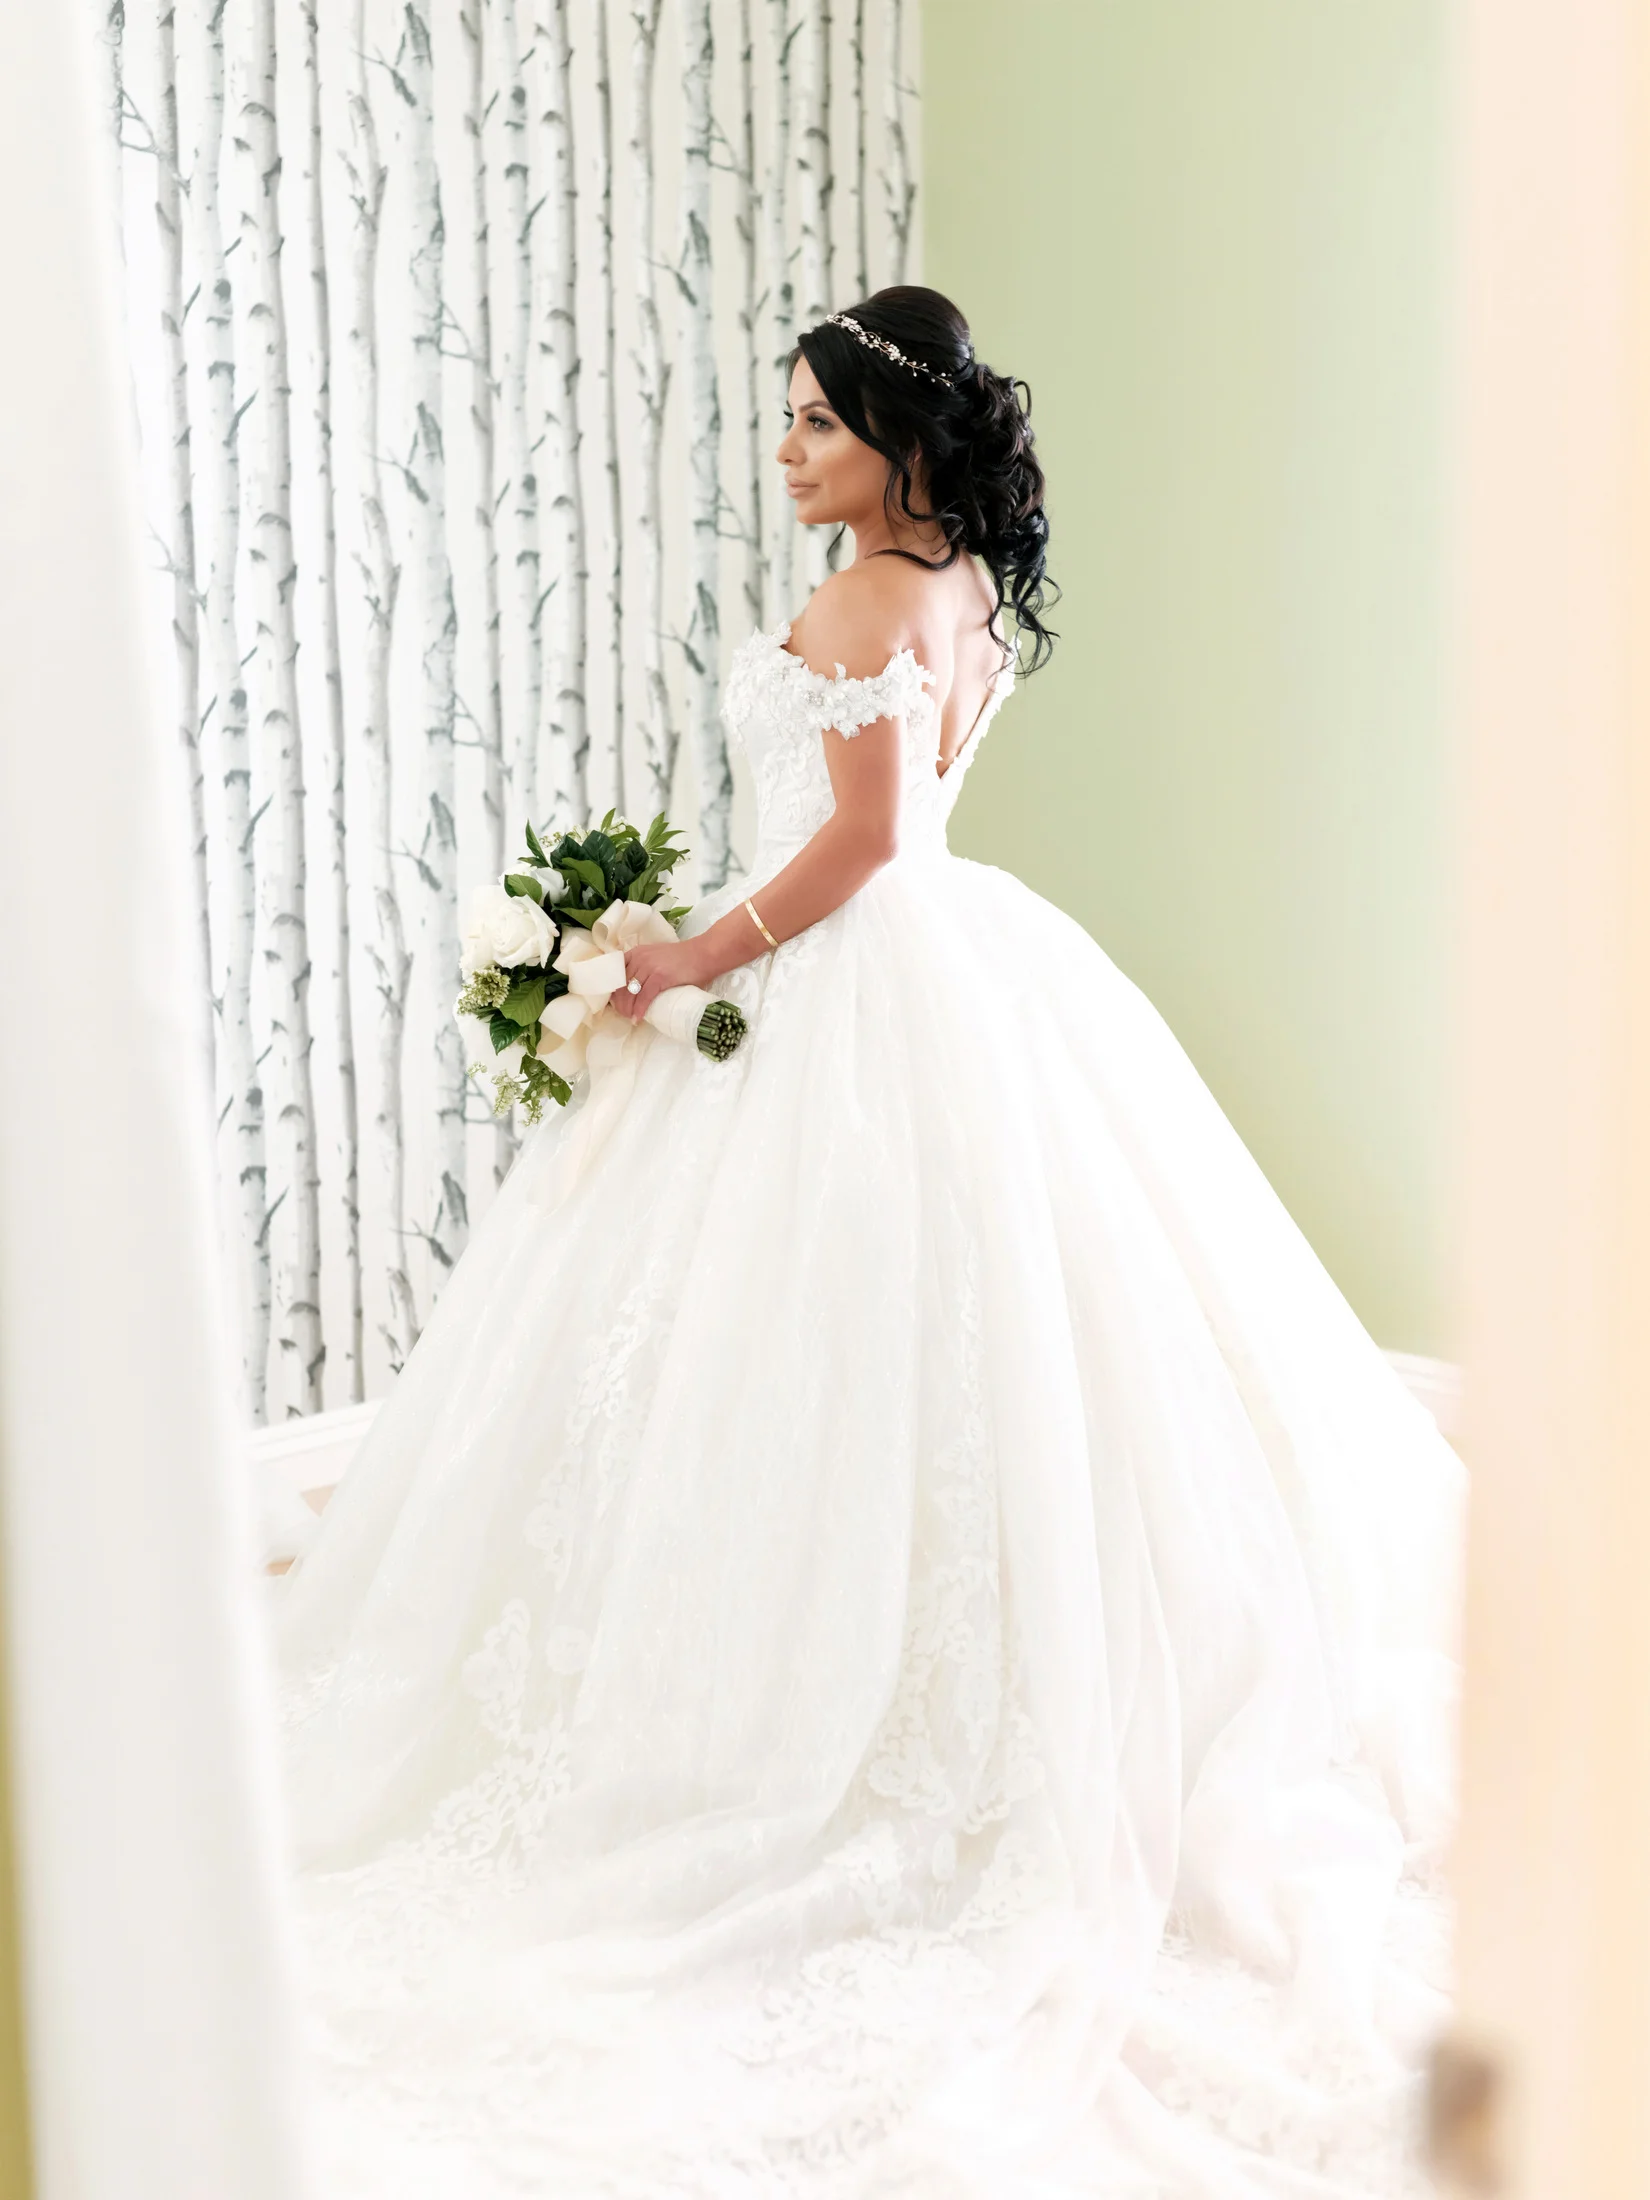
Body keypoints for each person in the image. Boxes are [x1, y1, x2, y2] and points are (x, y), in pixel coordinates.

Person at [275, 286, 1463, 2198]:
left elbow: (856, 847)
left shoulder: (853, 604)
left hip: (837, 970)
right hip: (954, 968)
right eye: (790, 418)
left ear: (902, 440)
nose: (787, 450)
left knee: (793, 1333)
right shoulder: (967, 587)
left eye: (819, 422)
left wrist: (680, 952)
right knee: (952, 1332)